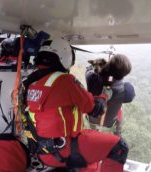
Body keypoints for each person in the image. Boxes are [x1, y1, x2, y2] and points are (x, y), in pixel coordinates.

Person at [22, 38, 129, 172]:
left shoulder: (31, 84)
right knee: (119, 147)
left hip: (42, 152)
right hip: (64, 150)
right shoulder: (64, 80)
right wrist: (104, 95)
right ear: (65, 57)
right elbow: (95, 109)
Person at [86, 54, 136, 136]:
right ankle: (118, 134)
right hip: (109, 125)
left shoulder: (91, 78)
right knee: (120, 109)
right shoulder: (126, 89)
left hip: (92, 121)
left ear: (108, 66)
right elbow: (129, 96)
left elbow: (89, 70)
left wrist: (103, 68)